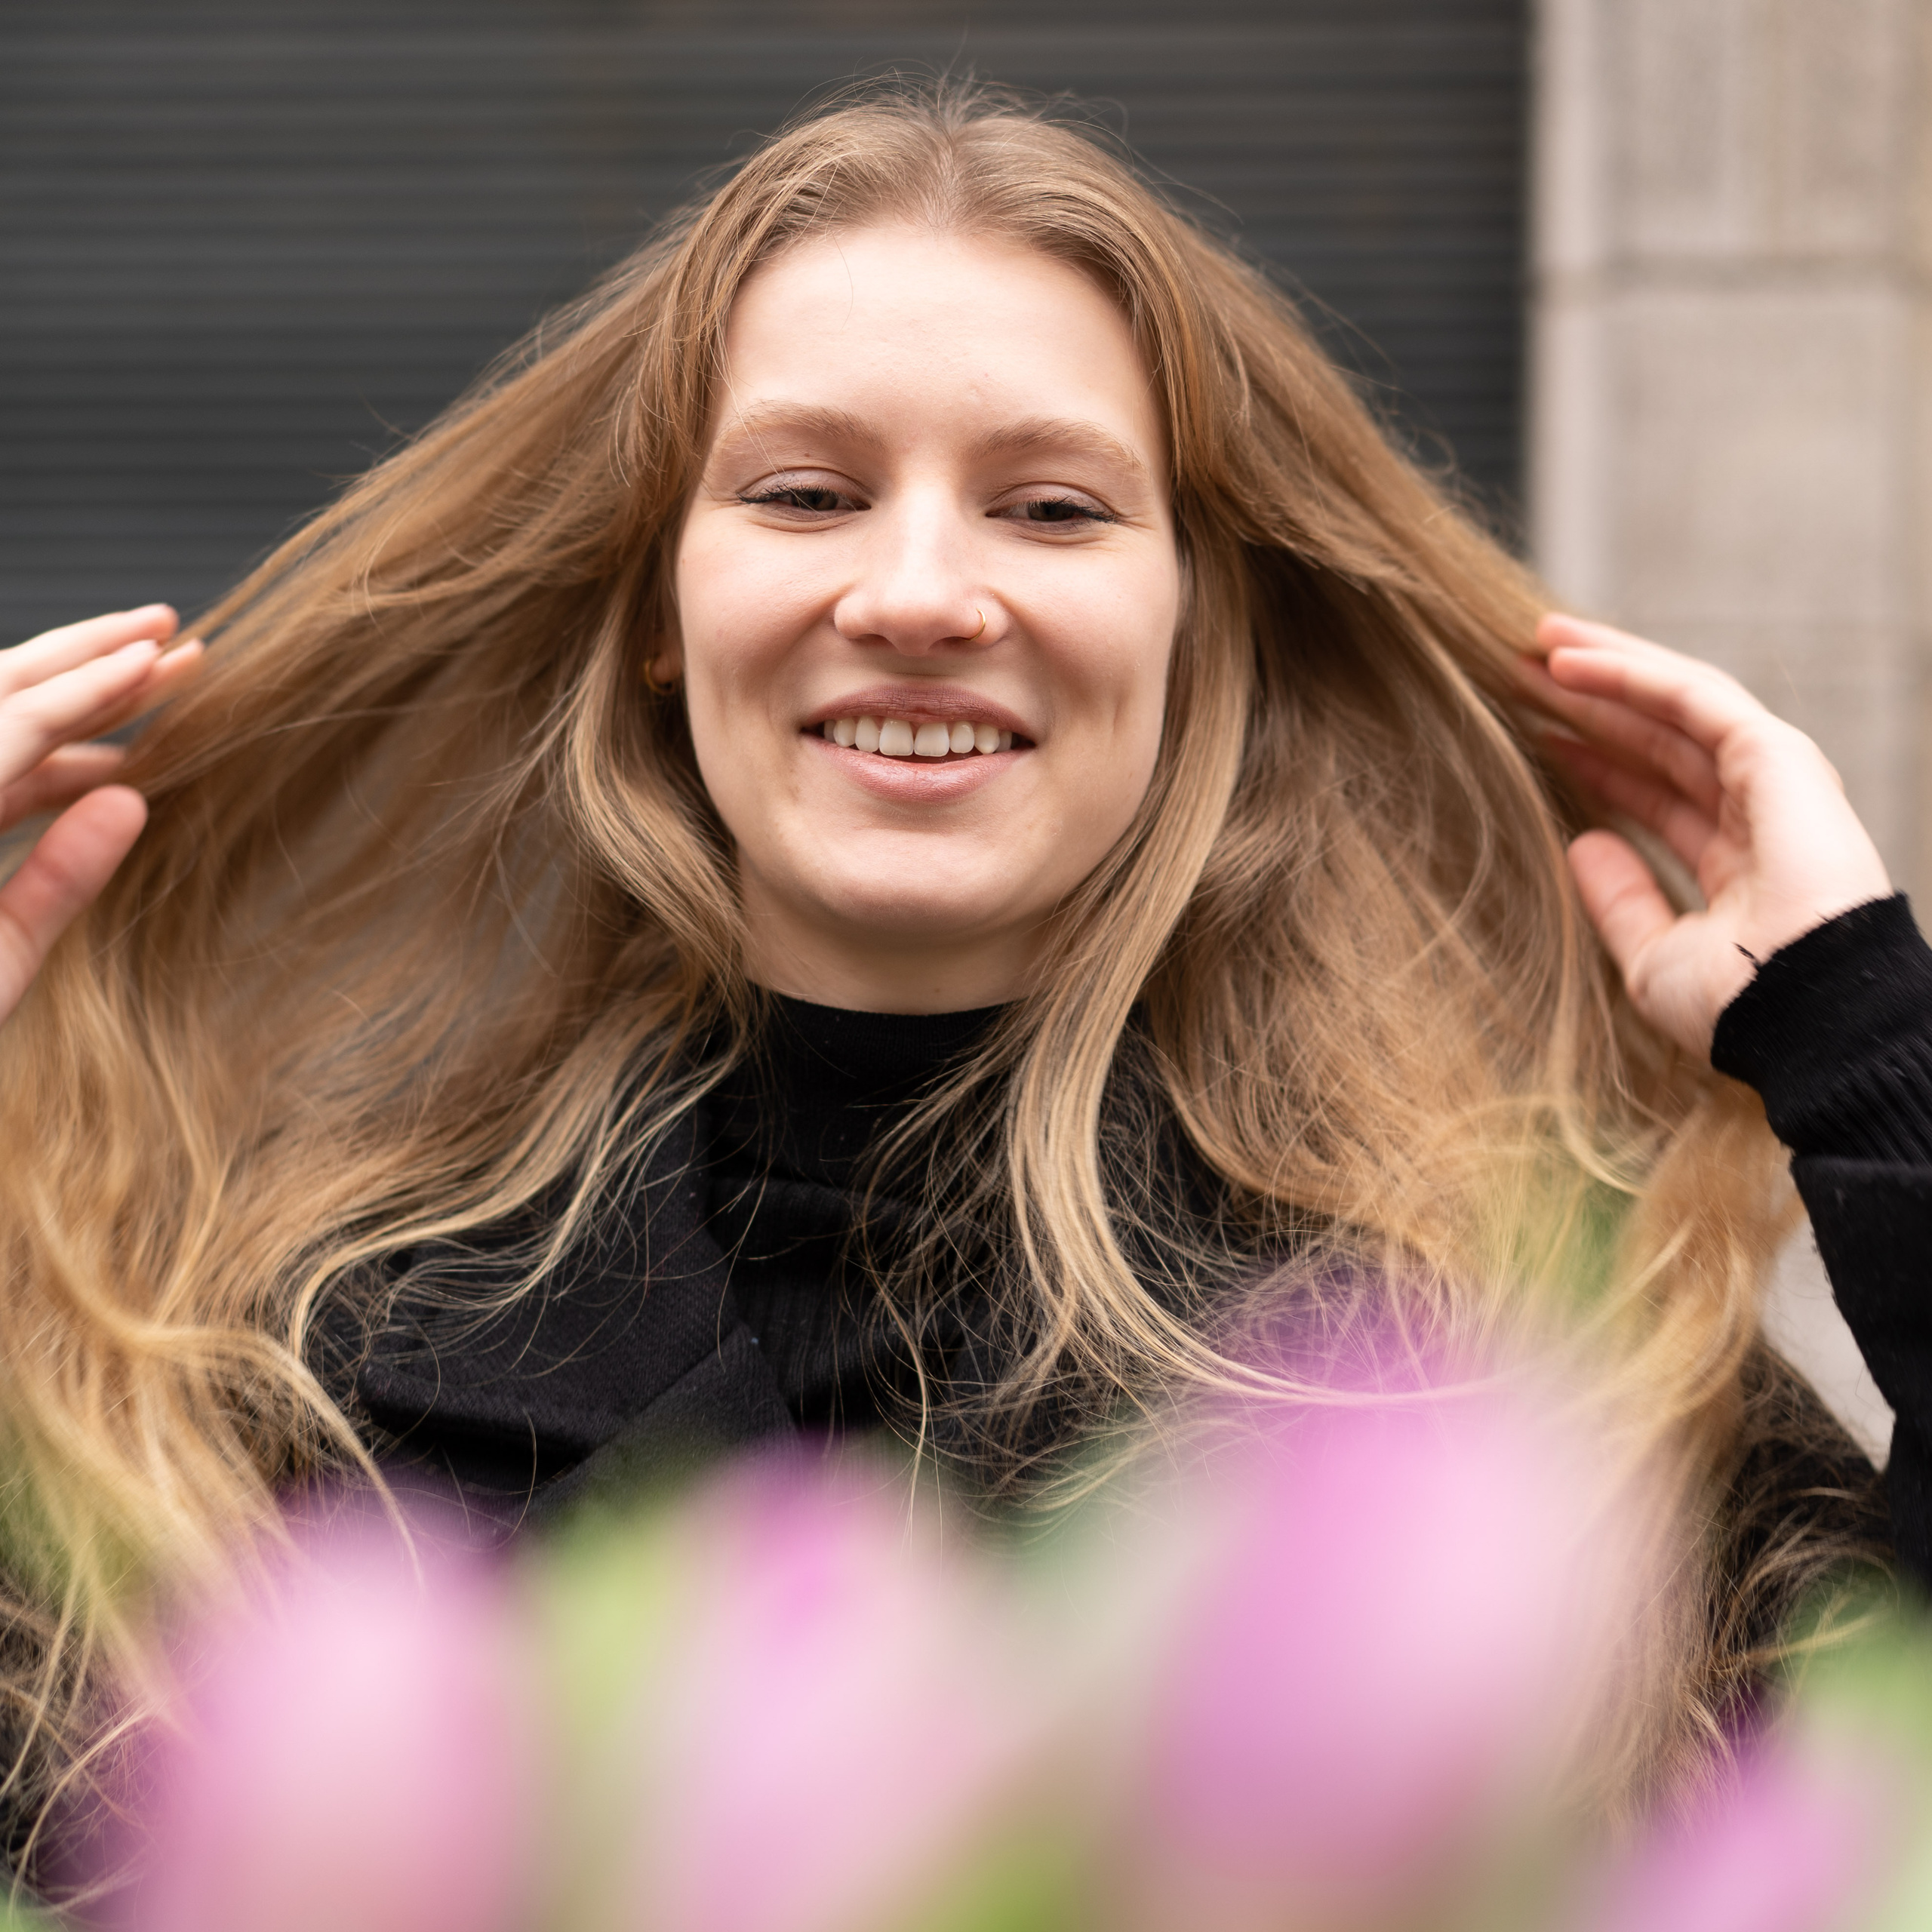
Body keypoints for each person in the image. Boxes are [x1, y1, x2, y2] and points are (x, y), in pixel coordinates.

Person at [0, 81, 1921, 1885]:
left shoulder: (1488, 1411)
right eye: (806, 494)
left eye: (1053, 506)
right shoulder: (283, 1374)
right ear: (661, 617)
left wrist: (1861, 1043)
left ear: (1193, 630)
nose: (918, 593)